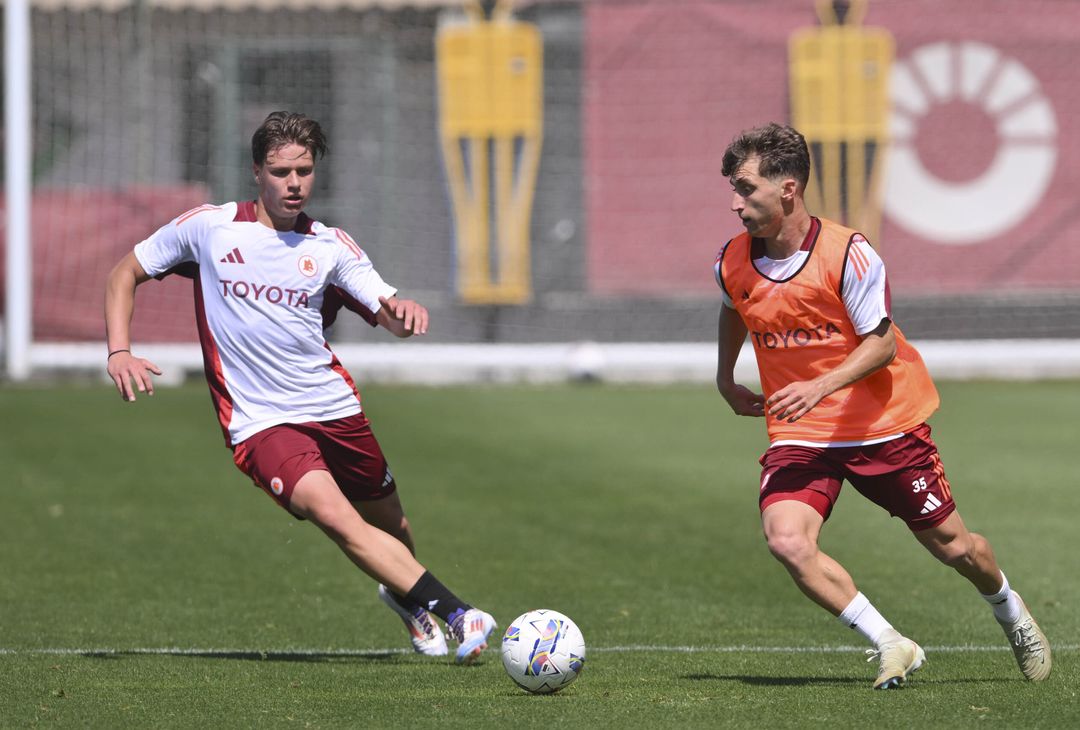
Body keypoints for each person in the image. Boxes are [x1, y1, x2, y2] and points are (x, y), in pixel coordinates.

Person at [104, 111, 496, 664]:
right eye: (282, 170)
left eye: (305, 171)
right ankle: (461, 613)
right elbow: (124, 273)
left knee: (393, 526)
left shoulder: (331, 245)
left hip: (332, 407)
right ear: (257, 172)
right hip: (260, 421)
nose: (294, 183)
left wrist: (401, 314)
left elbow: (385, 309)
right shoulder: (211, 227)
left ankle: (409, 601)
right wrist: (120, 350)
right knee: (336, 517)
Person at [713, 122, 1050, 689]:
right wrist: (725, 377)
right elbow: (731, 306)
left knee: (956, 548)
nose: (734, 203)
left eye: (746, 188)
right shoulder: (733, 259)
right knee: (787, 540)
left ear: (788, 189)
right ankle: (892, 643)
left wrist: (820, 385)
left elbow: (882, 342)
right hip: (802, 435)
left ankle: (1009, 610)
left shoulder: (849, 254)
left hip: (883, 426)